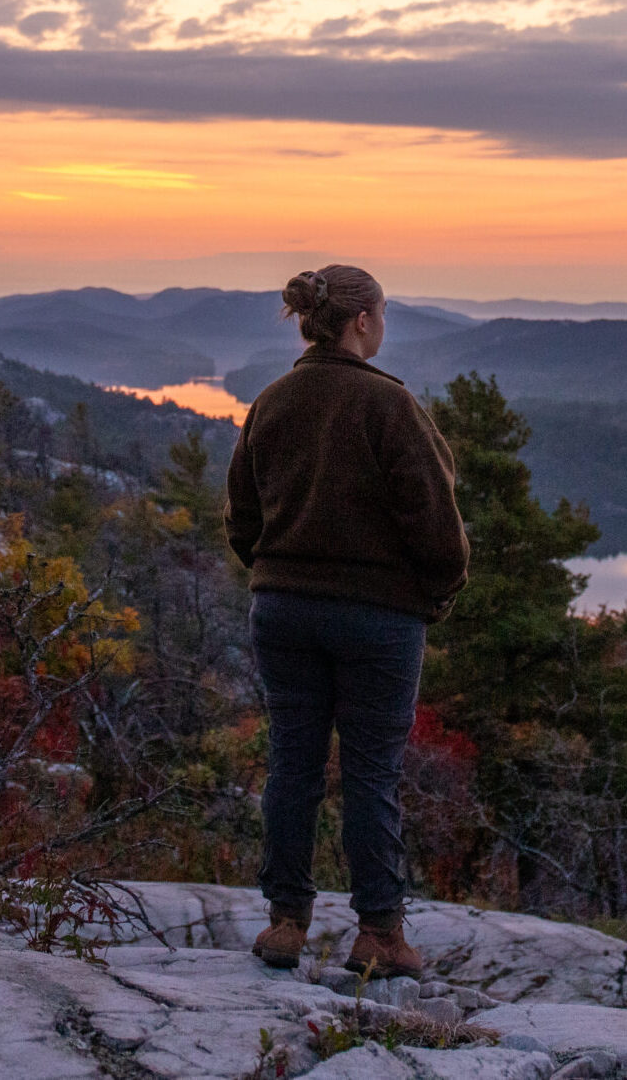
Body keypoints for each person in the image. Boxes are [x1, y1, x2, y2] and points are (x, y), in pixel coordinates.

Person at [225, 264, 468, 978]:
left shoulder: (271, 400)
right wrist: (436, 594)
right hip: (377, 618)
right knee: (370, 770)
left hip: (283, 609)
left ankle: (285, 923)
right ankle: (379, 935)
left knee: (292, 760)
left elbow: (240, 515)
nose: (383, 325)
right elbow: (437, 523)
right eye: (383, 314)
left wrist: (276, 573)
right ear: (362, 321)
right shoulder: (386, 404)